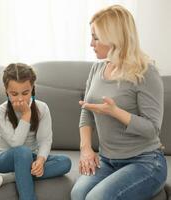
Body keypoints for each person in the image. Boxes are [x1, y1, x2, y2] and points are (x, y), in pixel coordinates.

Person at [70, 5, 167, 200]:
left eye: (96, 37)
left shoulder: (145, 72)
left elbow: (152, 129)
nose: (91, 43)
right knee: (78, 193)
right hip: (107, 160)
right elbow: (86, 112)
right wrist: (86, 149)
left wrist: (115, 112)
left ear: (113, 38)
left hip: (145, 162)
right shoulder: (97, 69)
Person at [0, 63, 71, 200]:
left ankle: (11, 177)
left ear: (32, 89)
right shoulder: (1, 112)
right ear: (6, 91)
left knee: (65, 162)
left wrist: (40, 160)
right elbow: (16, 143)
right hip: (6, 159)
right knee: (23, 151)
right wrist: (26, 115)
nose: (20, 99)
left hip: (31, 158)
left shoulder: (42, 108)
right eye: (14, 94)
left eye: (25, 93)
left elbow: (45, 140)